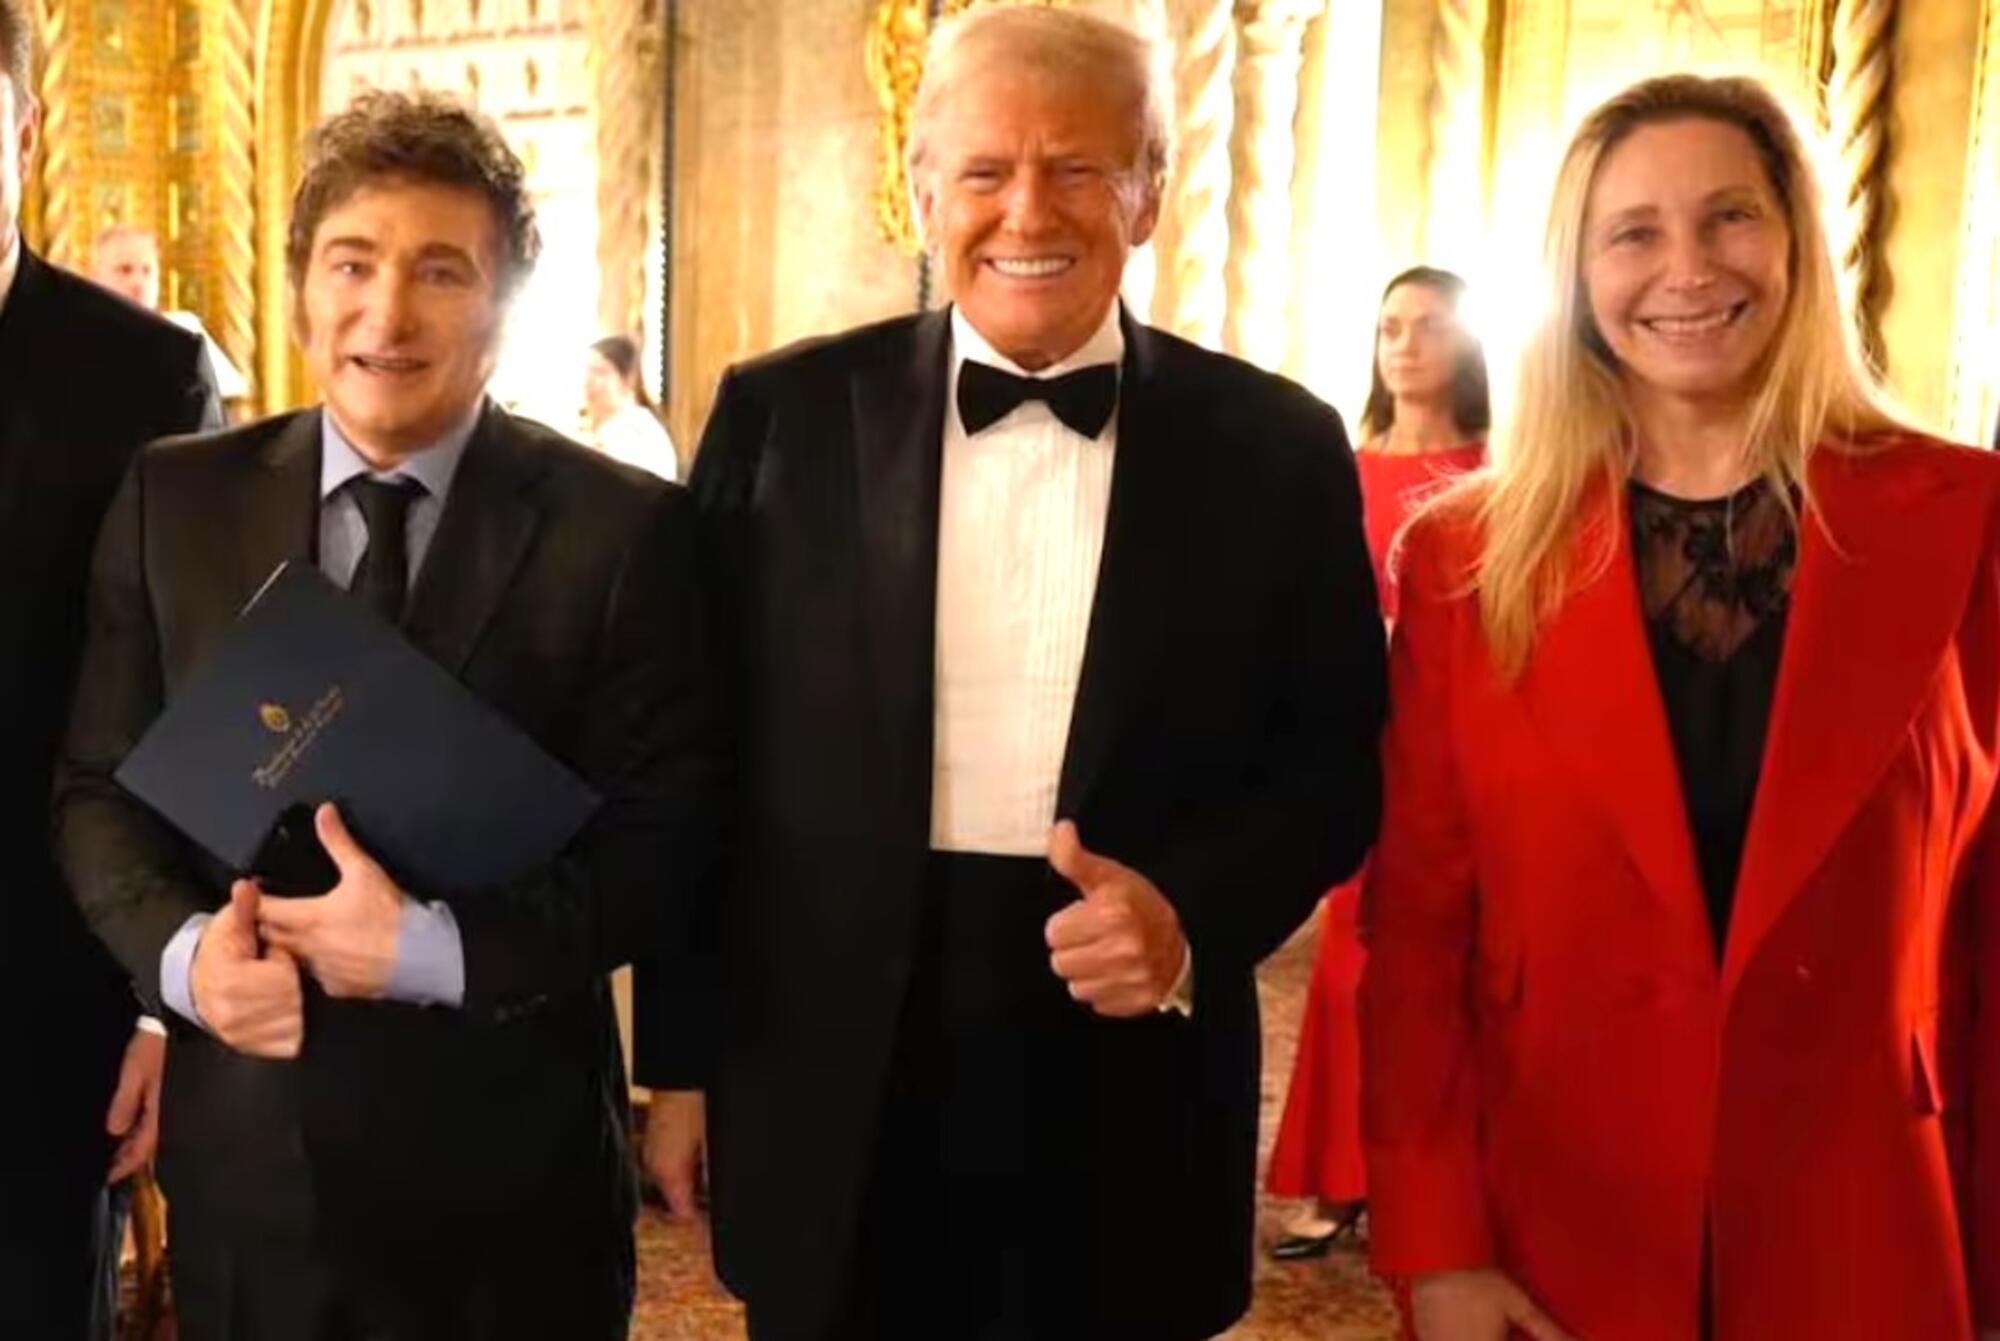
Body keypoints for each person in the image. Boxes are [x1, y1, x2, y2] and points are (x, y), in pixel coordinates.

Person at [635, 8, 1384, 1339]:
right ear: (923, 190)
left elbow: (1335, 765)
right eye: (984, 170)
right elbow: (703, 757)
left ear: (1148, 192)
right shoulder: (779, 415)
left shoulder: (1275, 446)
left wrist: (1188, 917)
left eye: (1078, 167)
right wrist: (679, 1068)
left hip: (1132, 1064)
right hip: (831, 1066)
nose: (1026, 210)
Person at [54, 90, 720, 1340]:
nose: (387, 313)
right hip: (252, 1170)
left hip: (513, 1187)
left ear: (505, 303)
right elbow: (96, 787)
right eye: (353, 264)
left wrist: (430, 950)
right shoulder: (173, 500)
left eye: (440, 271)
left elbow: (665, 847)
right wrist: (185, 963)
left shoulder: (621, 530)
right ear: (301, 288)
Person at [1360, 72, 2000, 1341]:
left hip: (1864, 1211)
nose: (1687, 269)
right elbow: (1419, 932)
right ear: (1574, 276)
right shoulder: (1461, 560)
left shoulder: (1966, 521)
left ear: (1795, 241)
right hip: (1551, 1229)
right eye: (1632, 233)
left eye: (1729, 217)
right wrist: (1436, 1252)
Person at [0, 2, 223, 1333]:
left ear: (23, 133)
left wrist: (158, 1005)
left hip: (49, 992)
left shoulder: (145, 376)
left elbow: (195, 708)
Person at [1265, 265, 1487, 1260]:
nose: (1404, 344)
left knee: (1458, 962)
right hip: (1360, 741)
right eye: (1390, 326)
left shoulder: (1503, 470)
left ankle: (1437, 1181)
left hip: (1461, 744)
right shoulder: (1337, 471)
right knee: (1352, 958)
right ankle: (1338, 1174)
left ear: (1467, 344)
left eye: (1428, 326)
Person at [89, 222, 252, 402]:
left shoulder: (182, 330)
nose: (138, 282)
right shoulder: (81, 338)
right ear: (96, 277)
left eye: (147, 271)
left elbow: (232, 402)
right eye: (125, 270)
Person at [584, 333, 677, 481]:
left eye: (600, 372)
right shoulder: (613, 427)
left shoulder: (634, 432)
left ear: (627, 379)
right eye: (588, 371)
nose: (589, 381)